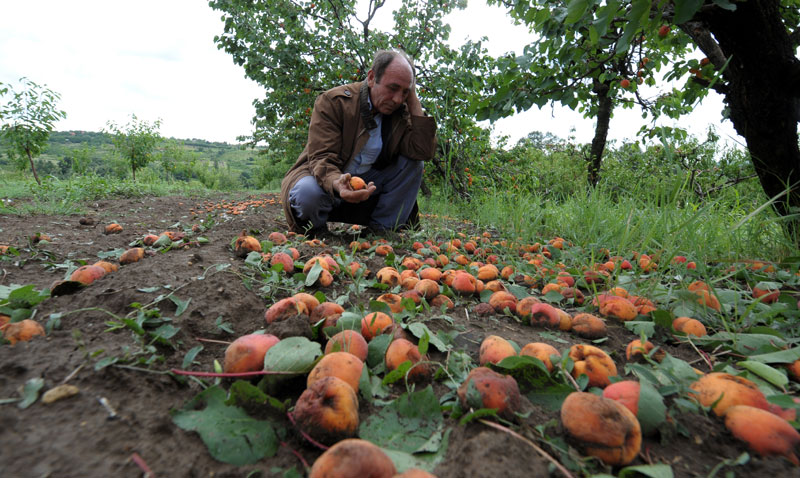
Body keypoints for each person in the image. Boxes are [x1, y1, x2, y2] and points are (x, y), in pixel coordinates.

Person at [280, 49, 437, 236]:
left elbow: (423, 151)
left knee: (413, 164)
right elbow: (322, 159)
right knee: (307, 193)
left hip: (366, 184)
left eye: (404, 92)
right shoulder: (334, 102)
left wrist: (413, 101)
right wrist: (339, 184)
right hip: (326, 179)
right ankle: (315, 230)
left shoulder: (399, 112)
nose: (397, 99)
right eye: (393, 88)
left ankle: (381, 231)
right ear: (371, 78)